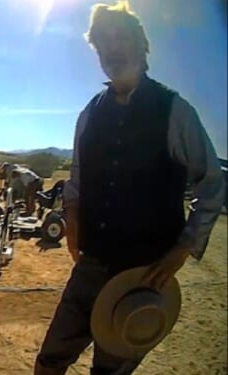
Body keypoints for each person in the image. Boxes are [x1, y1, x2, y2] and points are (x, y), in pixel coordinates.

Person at [34, 2, 225, 374]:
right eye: (103, 42)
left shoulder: (174, 111)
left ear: (141, 44)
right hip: (91, 266)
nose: (111, 48)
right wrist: (72, 220)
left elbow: (213, 183)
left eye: (120, 37)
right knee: (50, 361)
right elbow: (76, 177)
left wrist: (182, 250)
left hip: (145, 274)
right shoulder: (89, 113)